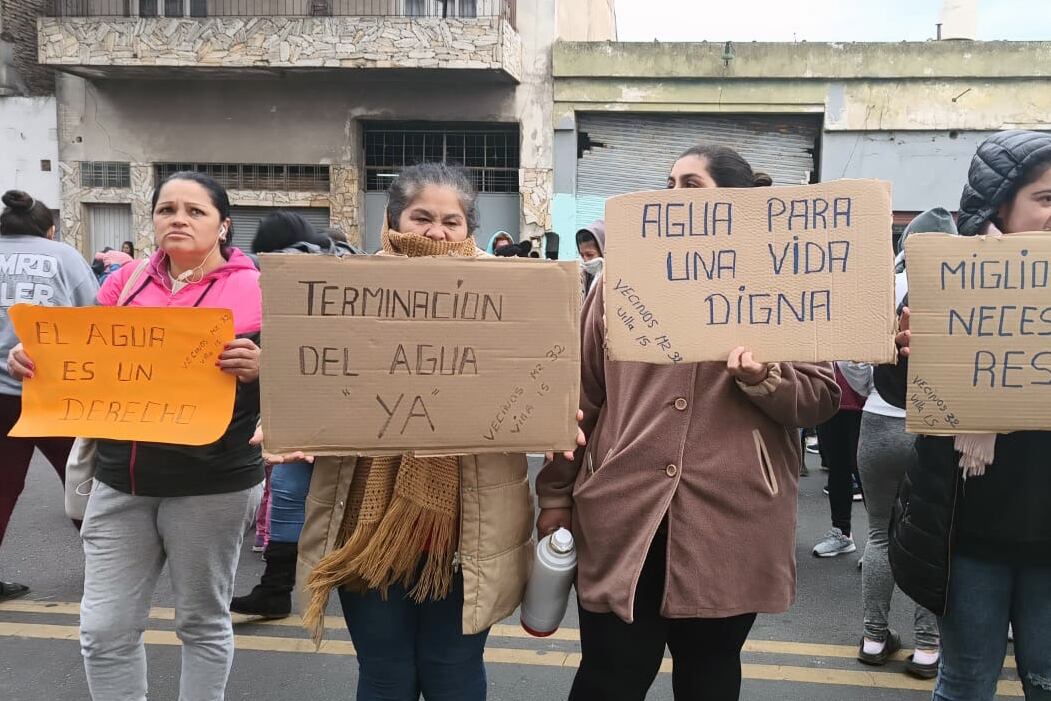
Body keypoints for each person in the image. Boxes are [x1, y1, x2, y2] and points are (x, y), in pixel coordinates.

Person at [536, 144, 841, 701]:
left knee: (709, 673)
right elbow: (580, 398)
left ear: (738, 203)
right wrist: (556, 493)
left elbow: (820, 397)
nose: (675, 197)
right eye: (670, 184)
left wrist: (764, 378)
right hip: (624, 511)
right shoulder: (618, 281)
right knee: (609, 674)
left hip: (732, 516)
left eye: (692, 186)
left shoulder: (781, 282)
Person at [7, 171, 265, 701]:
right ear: (152, 220)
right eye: (167, 209)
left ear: (224, 225)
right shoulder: (123, 285)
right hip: (118, 481)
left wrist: (267, 364)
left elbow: (310, 376)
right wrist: (37, 361)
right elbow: (87, 357)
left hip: (212, 484)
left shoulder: (257, 289)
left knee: (202, 622)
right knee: (103, 631)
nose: (179, 219)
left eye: (195, 211)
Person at [291, 163, 539, 701]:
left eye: (452, 221)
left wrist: (557, 413)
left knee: (453, 670)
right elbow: (314, 378)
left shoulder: (515, 299)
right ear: (393, 219)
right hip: (368, 519)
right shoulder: (345, 294)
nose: (436, 232)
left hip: (469, 523)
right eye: (421, 217)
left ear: (469, 229)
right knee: (384, 672)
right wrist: (288, 418)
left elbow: (540, 382)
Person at [888, 130, 1051, 701]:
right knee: (964, 684)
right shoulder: (944, 280)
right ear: (1002, 201)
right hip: (969, 534)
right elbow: (898, 390)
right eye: (1048, 199)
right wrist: (903, 352)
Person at [230, 211, 362, 619]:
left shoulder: (281, 272)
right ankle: (289, 587)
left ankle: (278, 588)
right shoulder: (352, 263)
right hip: (349, 401)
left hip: (307, 400)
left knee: (289, 493)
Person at [838, 209, 953, 677]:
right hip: (936, 425)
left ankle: (873, 636)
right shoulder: (960, 289)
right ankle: (927, 648)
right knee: (935, 537)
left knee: (880, 534)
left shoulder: (883, 287)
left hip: (880, 422)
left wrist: (871, 392)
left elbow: (850, 356)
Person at [0, 190, 98, 602]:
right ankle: (106, 569)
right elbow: (94, 318)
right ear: (50, 228)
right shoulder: (64, 257)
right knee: (81, 481)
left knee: (2, 488)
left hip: (0, 394)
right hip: (58, 392)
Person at [811, 369, 865, 557]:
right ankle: (841, 532)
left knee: (865, 473)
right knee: (837, 469)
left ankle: (881, 545)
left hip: (864, 403)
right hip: (830, 401)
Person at [575, 221, 604, 296]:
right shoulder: (583, 277)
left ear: (603, 251)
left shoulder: (612, 282)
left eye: (590, 255)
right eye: (582, 255)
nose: (585, 260)